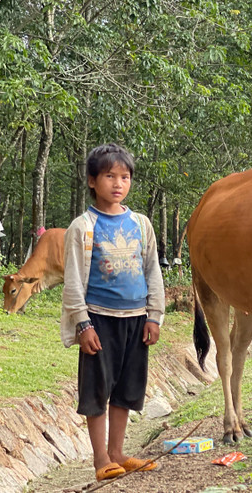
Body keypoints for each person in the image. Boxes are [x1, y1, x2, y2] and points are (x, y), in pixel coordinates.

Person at [60, 143, 165, 482]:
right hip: (99, 320)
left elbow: (152, 271)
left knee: (126, 388)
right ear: (92, 181)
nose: (118, 184)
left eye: (125, 177)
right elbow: (73, 280)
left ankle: (118, 452)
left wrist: (154, 315)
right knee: (97, 389)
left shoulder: (141, 224)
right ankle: (101, 458)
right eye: (109, 176)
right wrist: (83, 324)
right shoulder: (83, 227)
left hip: (136, 319)